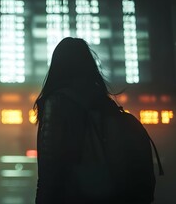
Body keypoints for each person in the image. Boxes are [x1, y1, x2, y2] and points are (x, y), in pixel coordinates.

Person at [34, 37, 119, 203]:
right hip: (108, 193)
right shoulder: (105, 103)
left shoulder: (56, 103)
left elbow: (50, 164)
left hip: (69, 195)